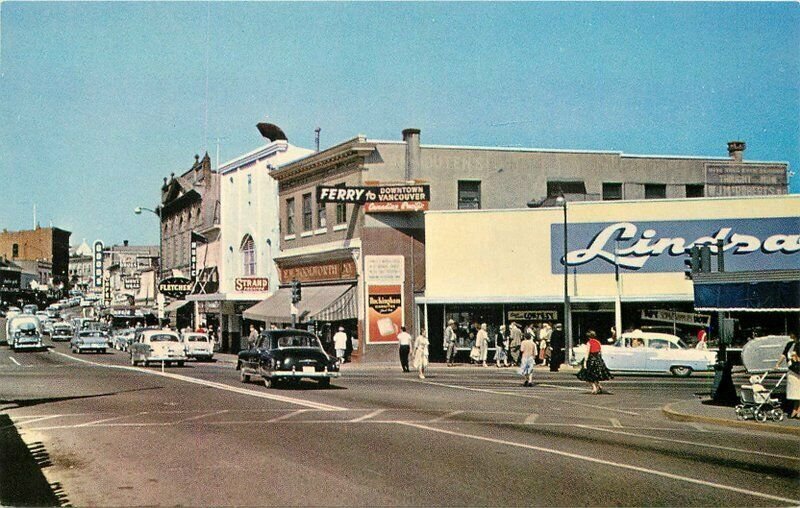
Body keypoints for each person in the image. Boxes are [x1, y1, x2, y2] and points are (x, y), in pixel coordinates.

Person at [576, 330, 613, 394]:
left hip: (591, 359)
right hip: (598, 359)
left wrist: (585, 361)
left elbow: (587, 353)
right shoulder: (598, 342)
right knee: (596, 374)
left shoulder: (589, 343)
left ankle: (594, 387)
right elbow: (600, 352)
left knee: (588, 374)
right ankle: (599, 386)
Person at [776, 332, 800, 419]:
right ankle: (796, 410)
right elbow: (785, 355)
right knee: (796, 392)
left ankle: (796, 410)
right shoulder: (793, 345)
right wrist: (778, 364)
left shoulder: (793, 345)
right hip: (795, 370)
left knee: (798, 392)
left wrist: (777, 364)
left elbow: (785, 355)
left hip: (794, 370)